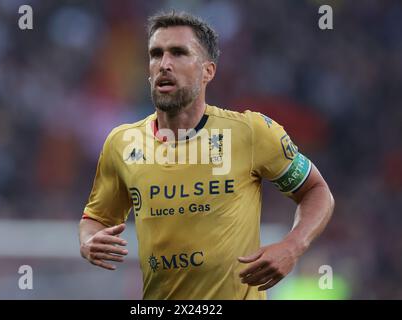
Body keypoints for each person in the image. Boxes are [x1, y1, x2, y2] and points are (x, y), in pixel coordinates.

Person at [79, 11, 334, 300]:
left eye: (178, 53)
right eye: (156, 54)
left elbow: (316, 190)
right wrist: (88, 240)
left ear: (207, 71)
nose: (164, 64)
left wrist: (292, 246)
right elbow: (96, 218)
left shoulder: (250, 132)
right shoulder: (122, 143)